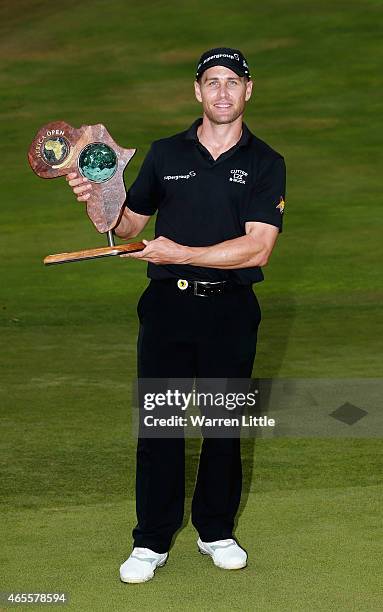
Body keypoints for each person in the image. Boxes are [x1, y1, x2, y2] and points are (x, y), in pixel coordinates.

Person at [66, 47, 286, 584]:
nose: (222, 92)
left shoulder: (266, 162)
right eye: (211, 82)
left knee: (224, 426)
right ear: (197, 92)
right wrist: (98, 193)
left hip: (231, 310)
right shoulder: (166, 154)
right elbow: (125, 225)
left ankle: (216, 531)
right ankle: (151, 541)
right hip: (166, 308)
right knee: (160, 426)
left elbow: (257, 249)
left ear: (248, 90)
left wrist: (179, 252)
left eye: (232, 81)